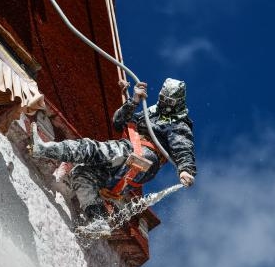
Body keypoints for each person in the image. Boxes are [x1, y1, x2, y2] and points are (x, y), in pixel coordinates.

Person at [31, 78, 196, 222]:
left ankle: (45, 150)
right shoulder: (150, 113)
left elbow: (183, 147)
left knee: (91, 149)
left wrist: (186, 169)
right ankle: (98, 220)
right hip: (129, 161)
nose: (165, 103)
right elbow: (118, 122)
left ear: (179, 102)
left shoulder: (178, 124)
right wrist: (133, 101)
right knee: (82, 174)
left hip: (140, 154)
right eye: (163, 98)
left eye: (170, 101)